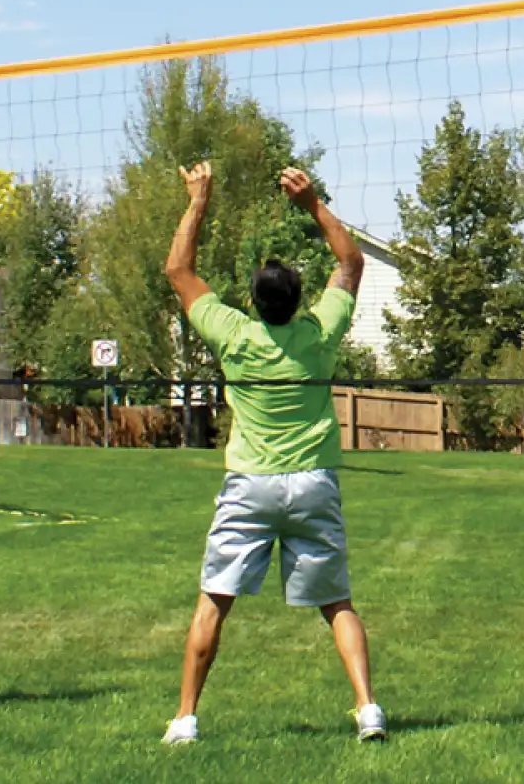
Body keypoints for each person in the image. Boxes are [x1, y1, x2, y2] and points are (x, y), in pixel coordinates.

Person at [162, 162, 387, 745]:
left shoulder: (235, 335)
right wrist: (312, 203)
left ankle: (185, 719)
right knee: (337, 602)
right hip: (312, 482)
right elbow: (352, 262)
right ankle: (368, 711)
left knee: (214, 601)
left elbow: (178, 269)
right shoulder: (318, 333)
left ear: (254, 303)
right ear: (297, 300)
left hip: (252, 485)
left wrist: (199, 200)